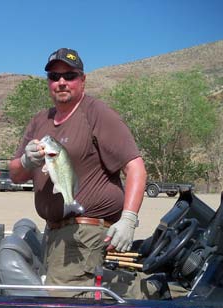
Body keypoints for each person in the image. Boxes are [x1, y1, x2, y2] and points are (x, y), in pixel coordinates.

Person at [9, 48, 147, 291]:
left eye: (70, 75)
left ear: (82, 80)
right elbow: (15, 174)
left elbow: (134, 165)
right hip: (53, 235)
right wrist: (26, 162)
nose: (61, 82)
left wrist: (129, 219)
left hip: (84, 234)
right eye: (54, 76)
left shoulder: (96, 113)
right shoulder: (40, 120)